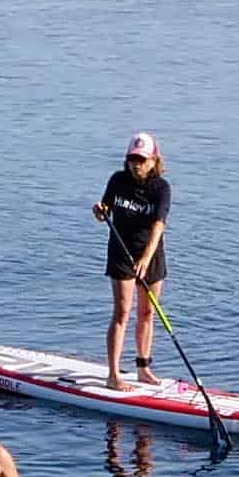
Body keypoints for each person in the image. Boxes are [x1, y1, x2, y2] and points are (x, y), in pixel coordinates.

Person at [92, 132, 172, 384]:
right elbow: (105, 210)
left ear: (153, 160)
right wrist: (100, 211)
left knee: (147, 313)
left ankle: (143, 368)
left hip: (151, 254)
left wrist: (146, 260)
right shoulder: (117, 181)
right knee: (122, 311)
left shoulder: (161, 188)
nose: (136, 164)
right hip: (121, 253)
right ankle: (113, 375)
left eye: (141, 159)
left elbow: (159, 225)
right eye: (132, 159)